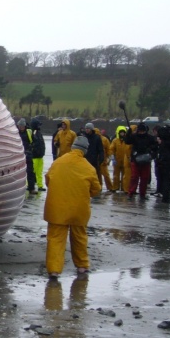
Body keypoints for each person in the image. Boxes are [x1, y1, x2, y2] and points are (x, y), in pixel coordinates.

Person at [44, 136, 101, 278]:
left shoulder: (58, 162)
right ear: (85, 150)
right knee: (80, 238)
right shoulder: (88, 168)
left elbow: (48, 180)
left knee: (56, 239)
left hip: (57, 209)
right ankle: (82, 266)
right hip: (79, 210)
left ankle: (54, 270)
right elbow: (96, 190)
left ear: (72, 147)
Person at [125, 123, 158, 200]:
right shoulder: (134, 137)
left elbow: (155, 147)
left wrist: (151, 153)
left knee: (144, 178)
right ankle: (131, 193)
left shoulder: (150, 138)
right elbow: (127, 141)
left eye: (143, 131)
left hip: (146, 161)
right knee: (134, 177)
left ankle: (142, 194)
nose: (141, 133)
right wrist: (128, 133)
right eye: (140, 131)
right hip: (135, 160)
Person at [155, 126, 170, 204]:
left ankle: (165, 196)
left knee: (165, 180)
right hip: (169, 163)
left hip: (164, 162)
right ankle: (166, 198)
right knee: (169, 180)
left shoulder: (163, 142)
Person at [17, 118, 37, 194]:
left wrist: (31, 148)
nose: (21, 127)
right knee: (18, 173)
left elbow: (35, 141)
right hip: (18, 155)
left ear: (25, 126)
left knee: (30, 172)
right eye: (19, 126)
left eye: (22, 126)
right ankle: (18, 188)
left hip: (28, 154)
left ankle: (31, 188)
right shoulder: (15, 132)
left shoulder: (29, 132)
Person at [110, 126, 130, 193]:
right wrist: (112, 158)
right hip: (117, 160)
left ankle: (124, 188)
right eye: (121, 133)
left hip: (125, 160)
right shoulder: (115, 140)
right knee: (116, 175)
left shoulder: (127, 140)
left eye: (123, 133)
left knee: (125, 175)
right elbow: (111, 149)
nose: (122, 134)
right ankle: (115, 187)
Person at [30, 117, 46, 191]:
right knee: (32, 172)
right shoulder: (33, 132)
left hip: (40, 156)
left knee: (39, 172)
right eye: (38, 125)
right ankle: (30, 185)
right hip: (35, 156)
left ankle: (40, 185)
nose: (39, 126)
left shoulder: (38, 133)